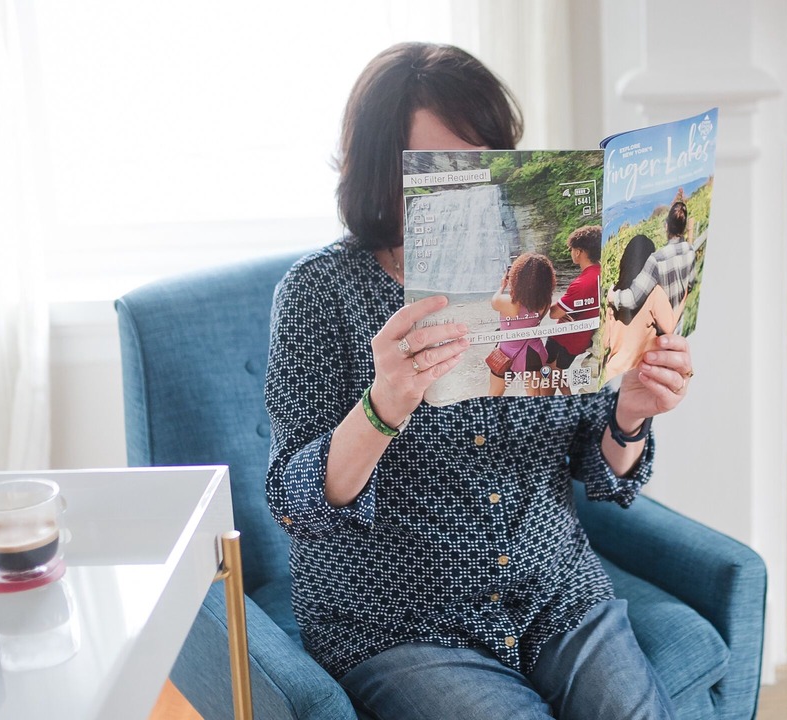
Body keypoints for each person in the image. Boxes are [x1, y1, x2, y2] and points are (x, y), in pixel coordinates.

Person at [263, 42, 694, 720]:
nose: (474, 186)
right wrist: (383, 407)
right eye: (442, 168)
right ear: (380, 174)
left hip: (556, 594)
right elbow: (295, 503)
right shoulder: (319, 293)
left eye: (489, 160)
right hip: (396, 621)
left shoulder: (535, 275)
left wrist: (631, 416)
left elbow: (598, 467)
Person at [603, 234, 678, 381]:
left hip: (611, 375)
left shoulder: (614, 294)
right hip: (640, 374)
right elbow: (670, 328)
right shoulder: (654, 293)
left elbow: (606, 342)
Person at [541, 225, 602, 395]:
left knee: (547, 377)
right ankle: (568, 399)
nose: (571, 252)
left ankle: (548, 410)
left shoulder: (581, 283)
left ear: (578, 252)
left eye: (572, 249)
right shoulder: (602, 273)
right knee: (557, 372)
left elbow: (554, 313)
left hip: (564, 338)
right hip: (582, 339)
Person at [606, 201, 695, 315]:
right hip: (679, 318)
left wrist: (613, 296)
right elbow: (690, 285)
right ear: (684, 226)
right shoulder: (690, 250)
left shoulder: (656, 259)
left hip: (662, 326)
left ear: (666, 226)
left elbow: (633, 298)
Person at [488, 252, 556, 396]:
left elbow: (494, 301)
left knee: (494, 394)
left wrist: (502, 286)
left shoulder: (508, 302)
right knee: (534, 397)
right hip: (533, 353)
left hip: (505, 353)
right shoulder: (545, 302)